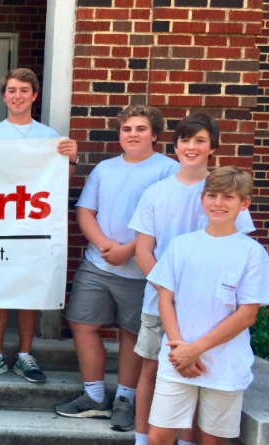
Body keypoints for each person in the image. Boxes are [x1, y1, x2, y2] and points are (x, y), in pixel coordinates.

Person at [118, 166, 269, 445]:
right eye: (212, 195)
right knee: (158, 438)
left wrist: (197, 350)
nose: (219, 203)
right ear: (202, 199)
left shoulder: (251, 253)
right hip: (176, 359)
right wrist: (179, 348)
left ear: (244, 204)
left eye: (228, 197)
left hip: (224, 365)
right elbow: (165, 299)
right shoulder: (183, 245)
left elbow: (246, 314)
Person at [119, 113, 255, 445]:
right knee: (151, 372)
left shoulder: (223, 193)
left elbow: (237, 249)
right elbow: (143, 251)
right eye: (184, 140)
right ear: (174, 146)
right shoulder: (156, 193)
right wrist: (172, 294)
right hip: (159, 303)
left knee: (199, 375)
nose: (191, 147)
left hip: (212, 314)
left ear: (213, 147)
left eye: (200, 140)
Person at [55, 105, 179, 428]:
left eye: (141, 129)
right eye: (127, 129)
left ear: (155, 135)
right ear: (119, 134)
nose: (133, 135)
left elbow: (167, 222)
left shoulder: (169, 170)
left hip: (141, 271)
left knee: (131, 333)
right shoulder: (104, 169)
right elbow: (85, 211)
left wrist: (129, 250)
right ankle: (95, 397)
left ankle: (125, 400)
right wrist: (104, 245)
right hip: (97, 264)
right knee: (81, 323)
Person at [0, 68, 78, 383]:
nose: (18, 96)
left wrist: (72, 160)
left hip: (33, 226)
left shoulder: (49, 135)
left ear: (34, 95)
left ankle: (25, 355)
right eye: (12, 90)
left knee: (29, 289)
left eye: (24, 90)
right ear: (4, 96)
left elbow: (61, 182)